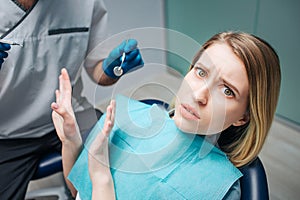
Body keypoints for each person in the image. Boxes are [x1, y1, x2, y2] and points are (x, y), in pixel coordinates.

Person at [51, 31, 281, 199]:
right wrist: (70, 141)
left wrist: (102, 179)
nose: (199, 94)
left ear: (244, 117)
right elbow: (78, 191)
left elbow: (95, 184)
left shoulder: (221, 189)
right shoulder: (126, 118)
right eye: (200, 72)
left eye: (227, 90)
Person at [0, 0, 144, 199]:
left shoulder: (85, 3)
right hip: (7, 133)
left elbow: (97, 71)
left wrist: (112, 68)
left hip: (73, 115)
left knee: (126, 171)